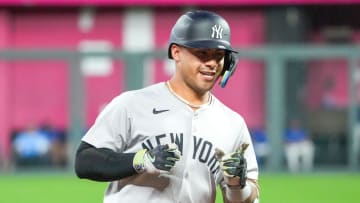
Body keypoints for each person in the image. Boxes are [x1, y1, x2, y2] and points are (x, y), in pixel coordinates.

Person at [75, 10, 259, 203]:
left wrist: (238, 185)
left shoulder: (233, 124)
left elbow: (248, 198)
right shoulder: (132, 104)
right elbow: (85, 161)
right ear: (176, 52)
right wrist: (141, 160)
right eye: (202, 53)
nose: (212, 63)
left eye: (219, 55)